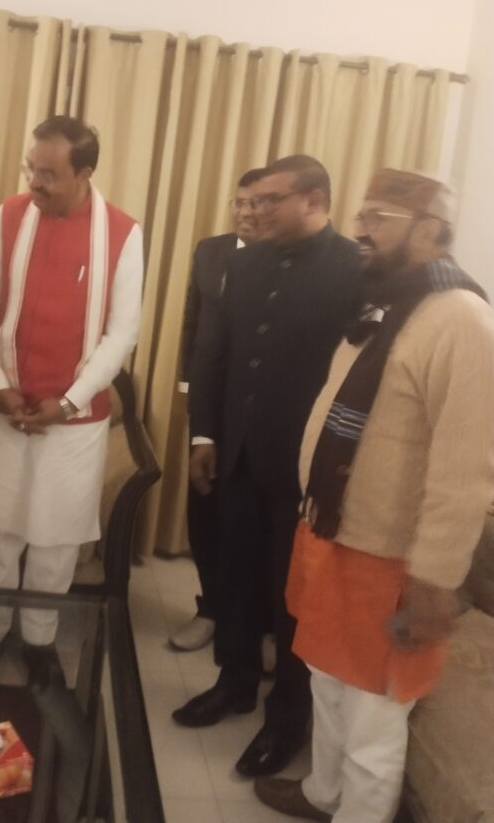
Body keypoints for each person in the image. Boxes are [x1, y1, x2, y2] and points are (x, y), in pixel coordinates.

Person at [254, 168, 494, 823]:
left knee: (374, 717)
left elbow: (464, 473)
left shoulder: (463, 320)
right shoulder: (387, 306)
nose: (360, 229)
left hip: (391, 563)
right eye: (362, 214)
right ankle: (323, 794)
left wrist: (434, 582)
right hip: (335, 536)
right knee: (329, 685)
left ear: (430, 232)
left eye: (379, 218)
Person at [174, 155, 362, 779]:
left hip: (307, 469)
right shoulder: (244, 263)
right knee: (235, 574)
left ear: (315, 200)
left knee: (292, 596)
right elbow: (213, 353)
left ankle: (286, 719)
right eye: (252, 200)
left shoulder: (355, 270)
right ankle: (233, 684)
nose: (255, 210)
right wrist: (205, 433)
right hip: (238, 453)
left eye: (271, 200)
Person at [0, 115, 143, 671]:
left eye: (49, 174)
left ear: (85, 173)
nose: (35, 182)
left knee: (55, 539)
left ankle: (38, 642)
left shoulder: (123, 232)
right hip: (3, 405)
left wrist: (70, 402)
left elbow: (122, 331)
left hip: (74, 417)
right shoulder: (9, 214)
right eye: (31, 168)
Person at [170, 168, 263, 652]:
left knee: (252, 521)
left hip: (262, 413)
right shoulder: (211, 251)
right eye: (239, 202)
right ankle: (210, 608)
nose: (246, 212)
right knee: (204, 510)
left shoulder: (291, 262)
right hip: (209, 405)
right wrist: (190, 386)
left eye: (256, 203)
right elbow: (193, 319)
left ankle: (257, 623)